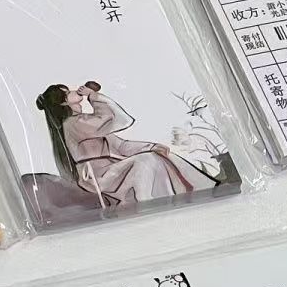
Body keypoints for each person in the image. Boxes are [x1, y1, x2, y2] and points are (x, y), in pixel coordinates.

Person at [35, 82, 209, 207]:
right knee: (145, 161)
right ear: (63, 102)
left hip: (111, 169)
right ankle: (149, 202)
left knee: (158, 156)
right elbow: (109, 118)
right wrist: (93, 96)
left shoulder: (84, 121)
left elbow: (121, 146)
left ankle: (175, 197)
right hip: (98, 176)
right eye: (68, 92)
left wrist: (152, 146)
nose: (75, 91)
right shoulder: (73, 123)